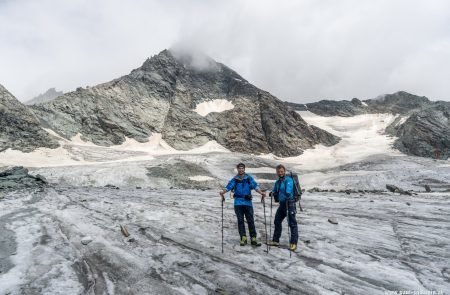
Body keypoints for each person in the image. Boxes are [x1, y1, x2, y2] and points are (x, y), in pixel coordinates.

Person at [219, 163, 266, 246]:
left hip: (247, 202)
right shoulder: (235, 179)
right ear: (237, 169)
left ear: (244, 169)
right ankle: (243, 238)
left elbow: (255, 186)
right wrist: (223, 192)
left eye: (242, 168)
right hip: (238, 202)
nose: (241, 170)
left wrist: (261, 193)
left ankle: (253, 238)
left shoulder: (248, 178)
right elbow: (229, 186)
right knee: (240, 221)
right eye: (239, 168)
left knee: (250, 220)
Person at [268, 164, 299, 251]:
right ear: (276, 172)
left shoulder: (288, 180)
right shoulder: (278, 182)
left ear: (284, 171)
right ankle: (275, 241)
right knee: (277, 221)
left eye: (281, 171)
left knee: (292, 223)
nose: (280, 173)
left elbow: (288, 191)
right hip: (282, 204)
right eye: (278, 171)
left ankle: (293, 243)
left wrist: (286, 193)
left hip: (289, 204)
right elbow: (275, 190)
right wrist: (272, 193)